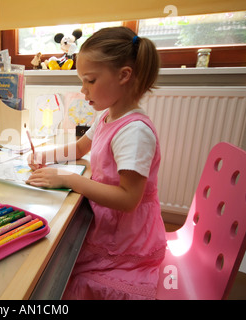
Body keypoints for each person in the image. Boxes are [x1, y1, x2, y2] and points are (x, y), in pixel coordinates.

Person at [26, 26, 167, 300]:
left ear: (124, 75)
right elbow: (80, 147)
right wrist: (45, 155)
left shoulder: (134, 132)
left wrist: (69, 179)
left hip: (127, 235)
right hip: (108, 219)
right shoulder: (107, 116)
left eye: (89, 80)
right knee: (60, 254)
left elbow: (128, 199)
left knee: (67, 272)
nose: (83, 89)